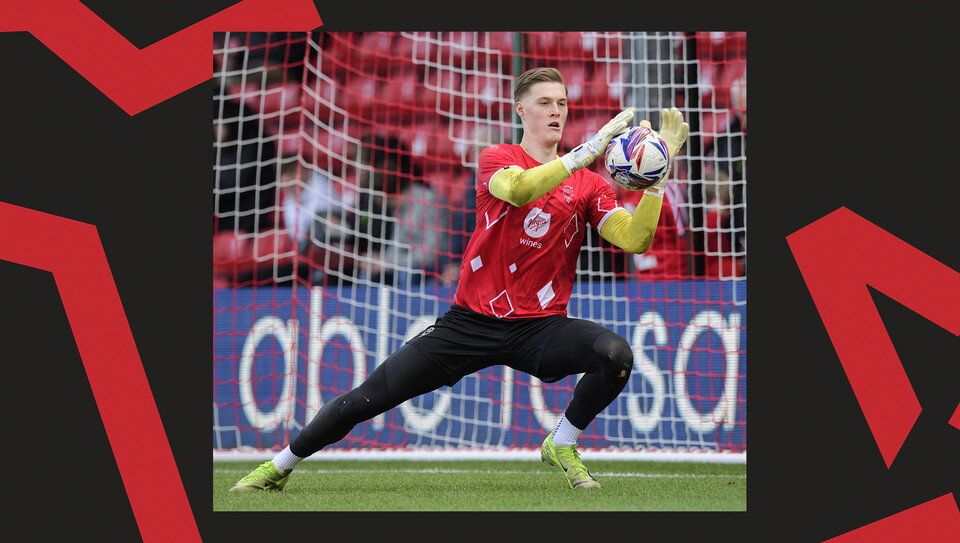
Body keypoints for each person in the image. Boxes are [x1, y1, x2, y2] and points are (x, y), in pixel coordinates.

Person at [230, 66, 688, 492]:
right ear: (520, 109)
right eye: (545, 102)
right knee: (368, 398)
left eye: (563, 103)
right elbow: (523, 188)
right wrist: (585, 152)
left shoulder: (590, 184)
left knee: (614, 355)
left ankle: (562, 442)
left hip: (539, 327)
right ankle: (279, 466)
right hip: (469, 322)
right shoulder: (498, 158)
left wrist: (656, 178)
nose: (556, 111)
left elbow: (635, 241)